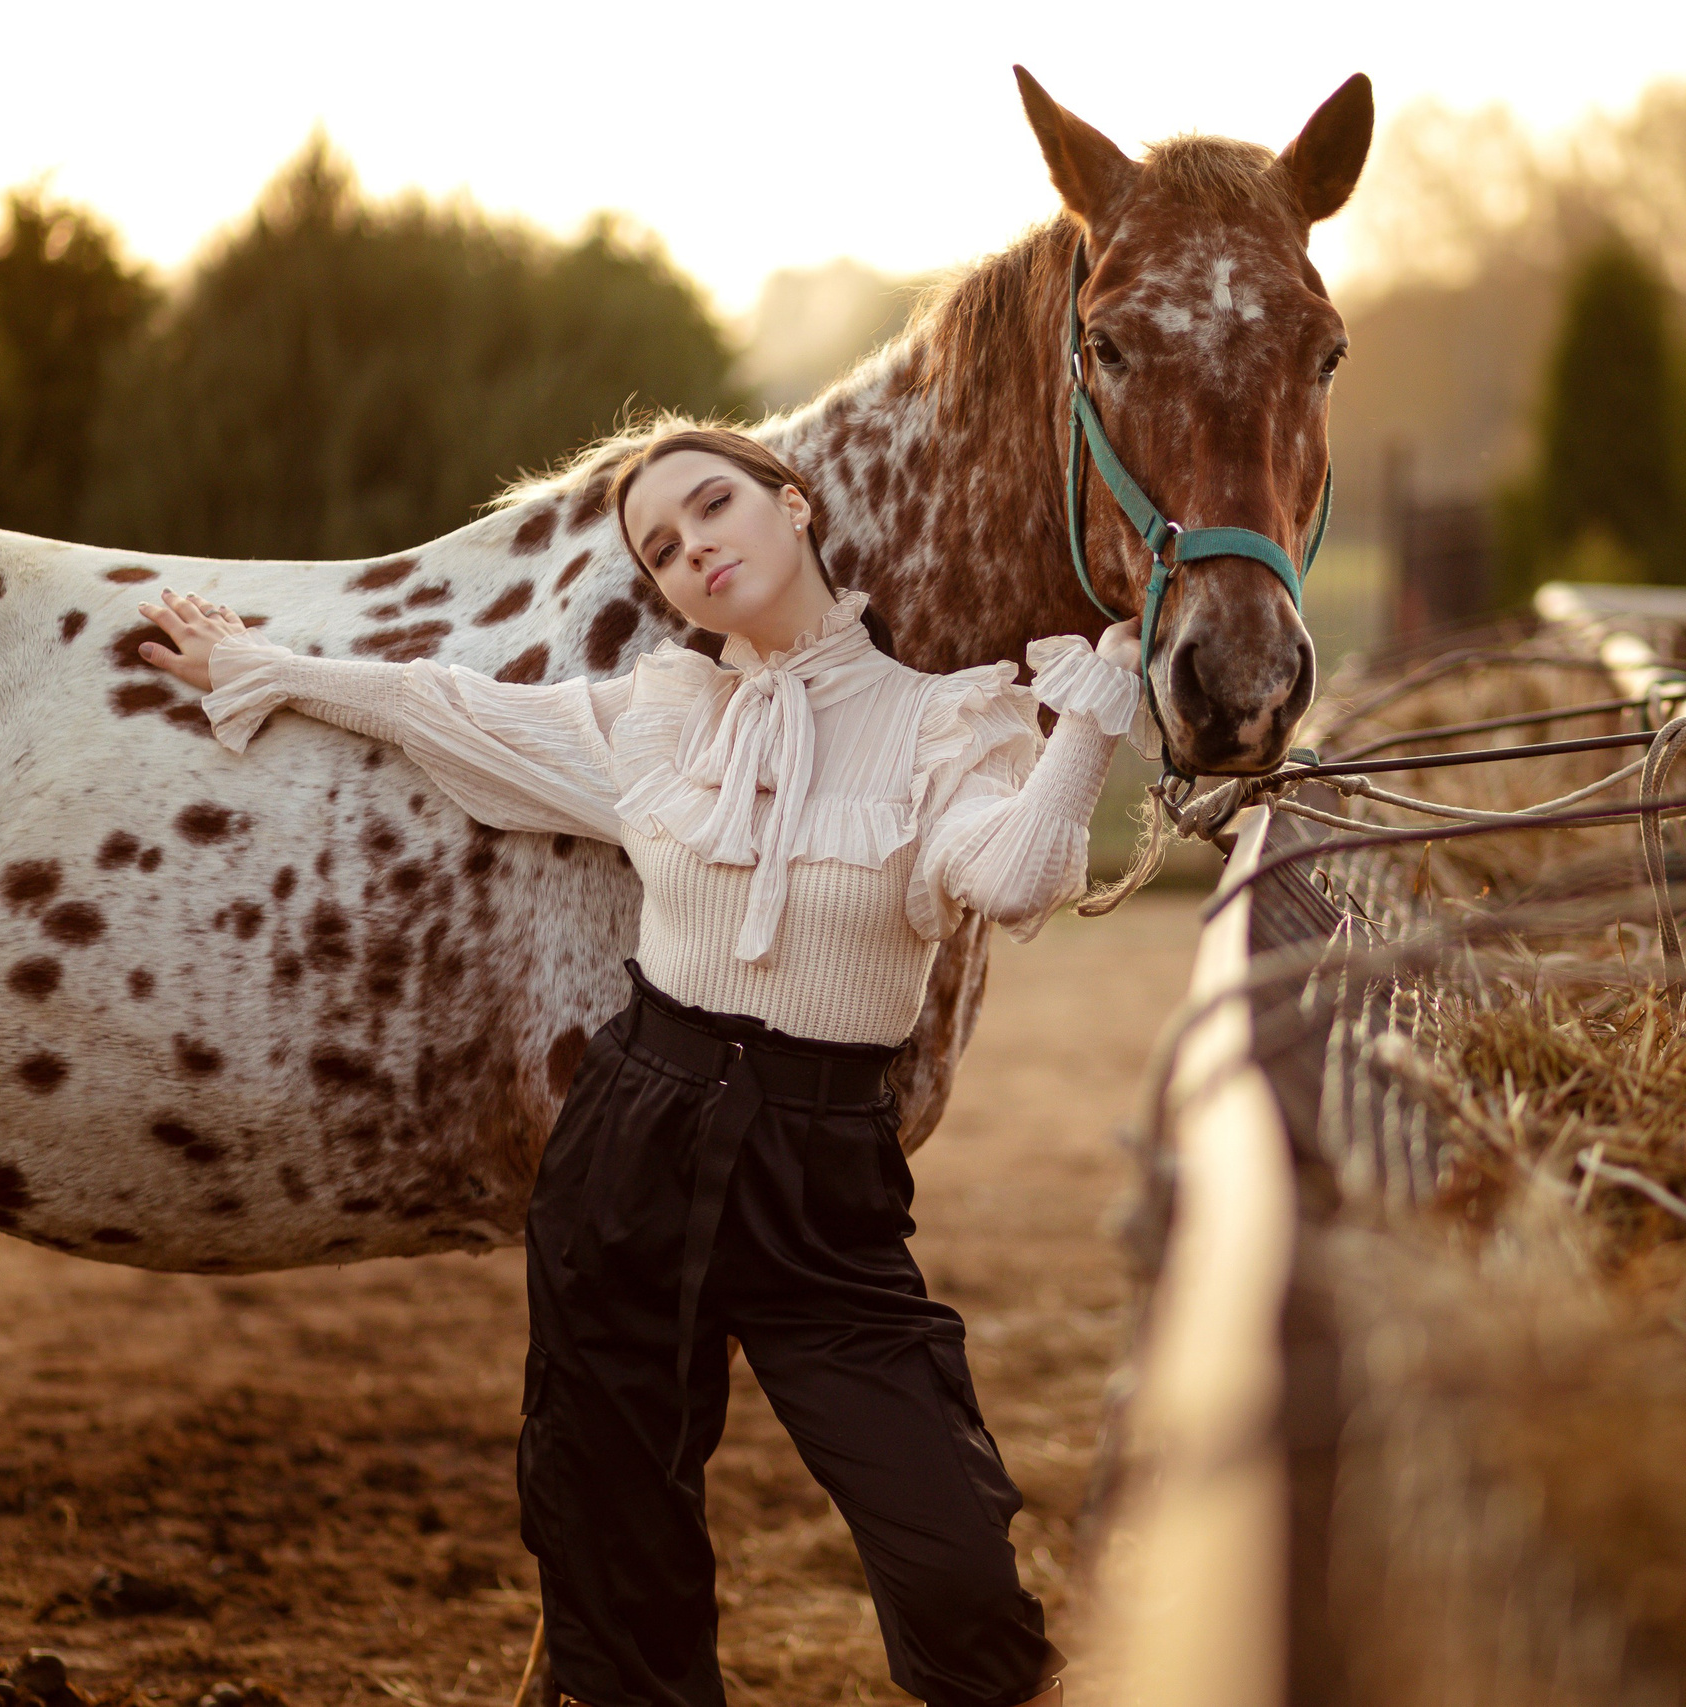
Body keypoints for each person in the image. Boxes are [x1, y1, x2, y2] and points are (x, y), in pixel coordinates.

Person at [135, 427, 1143, 1707]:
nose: (693, 548)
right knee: (614, 1551)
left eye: (712, 506)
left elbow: (1018, 877)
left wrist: (1090, 721)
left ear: (795, 506)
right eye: (661, 549)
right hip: (632, 1144)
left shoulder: (942, 721)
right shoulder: (664, 714)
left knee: (949, 1554)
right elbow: (447, 707)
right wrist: (266, 667)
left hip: (822, 1175)